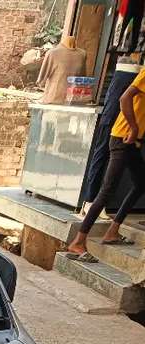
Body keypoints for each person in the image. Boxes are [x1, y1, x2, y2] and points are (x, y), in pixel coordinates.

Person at [68, 66, 145, 262]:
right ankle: (78, 241)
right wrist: (134, 128)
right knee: (107, 190)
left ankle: (112, 231)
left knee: (141, 183)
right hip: (123, 137)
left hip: (133, 141)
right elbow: (124, 98)